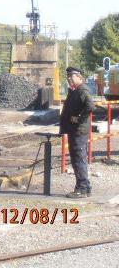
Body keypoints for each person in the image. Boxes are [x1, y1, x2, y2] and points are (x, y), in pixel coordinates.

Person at [59, 66, 95, 198]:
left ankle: (82, 189)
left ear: (79, 77)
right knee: (77, 159)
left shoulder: (82, 90)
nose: (69, 79)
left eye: (71, 76)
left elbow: (90, 106)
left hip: (78, 131)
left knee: (79, 160)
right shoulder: (75, 91)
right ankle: (85, 187)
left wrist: (80, 118)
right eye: (68, 77)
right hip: (74, 130)